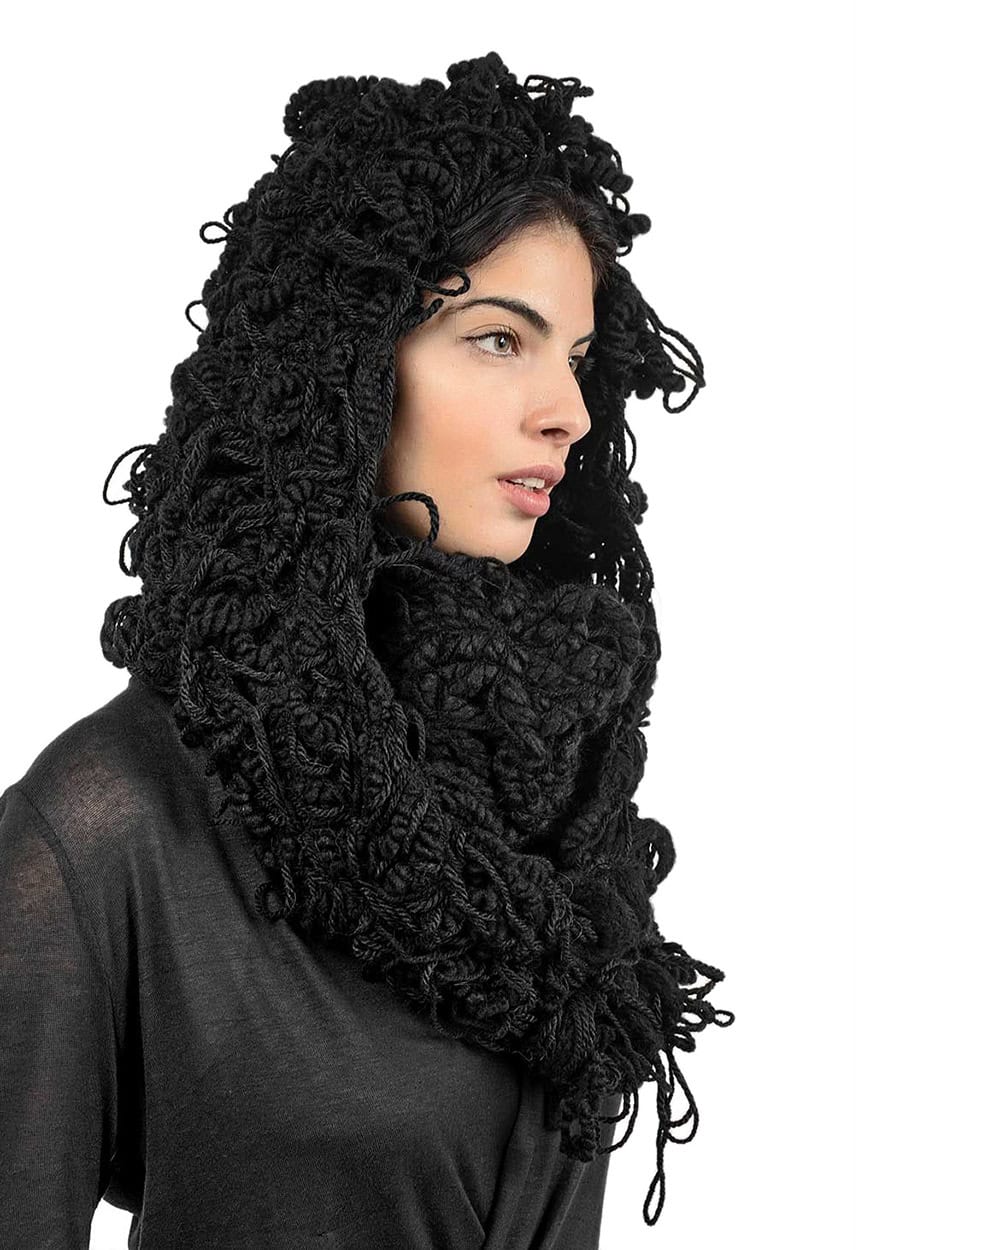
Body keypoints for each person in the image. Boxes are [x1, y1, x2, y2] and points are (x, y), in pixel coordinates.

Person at [0, 51, 734, 1247]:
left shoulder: (558, 810)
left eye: (575, 355)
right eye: (498, 339)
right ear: (339, 357)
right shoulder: (110, 820)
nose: (567, 409)